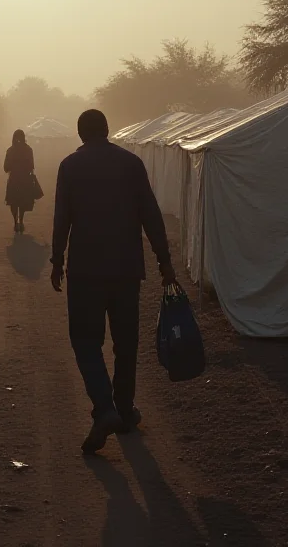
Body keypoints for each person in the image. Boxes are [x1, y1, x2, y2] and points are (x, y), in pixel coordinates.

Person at [50, 109, 176, 454]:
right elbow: (151, 215)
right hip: (125, 269)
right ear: (107, 131)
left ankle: (104, 409)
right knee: (126, 342)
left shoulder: (70, 166)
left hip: (85, 271)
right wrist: (165, 262)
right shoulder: (131, 163)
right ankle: (124, 410)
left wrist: (56, 259)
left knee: (86, 341)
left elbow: (63, 217)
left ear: (80, 135)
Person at [3, 129, 36, 233]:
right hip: (25, 178)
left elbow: (6, 168)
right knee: (22, 201)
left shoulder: (10, 150)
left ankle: (15, 221)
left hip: (13, 178)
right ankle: (21, 220)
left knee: (13, 201)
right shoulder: (28, 149)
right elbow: (31, 166)